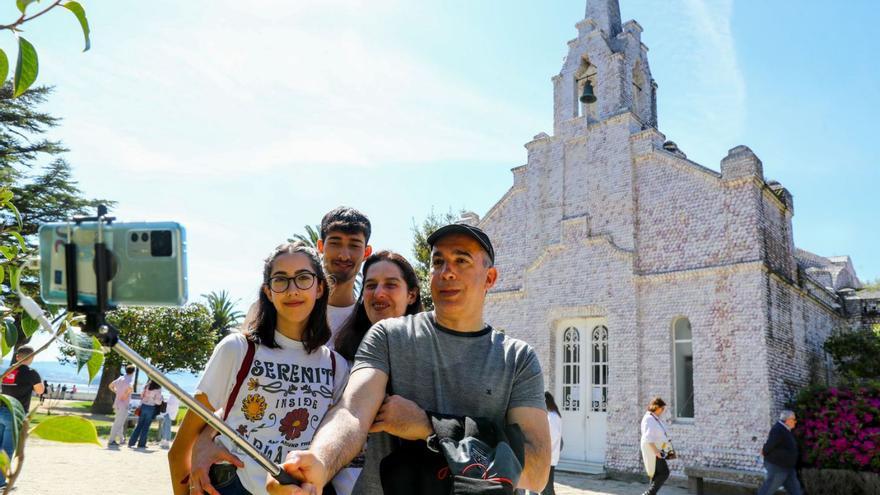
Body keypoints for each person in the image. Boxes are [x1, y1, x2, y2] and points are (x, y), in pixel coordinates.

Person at [267, 223, 551, 495]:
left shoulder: (517, 358)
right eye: (438, 262)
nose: (446, 272)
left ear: (490, 278)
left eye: (461, 261)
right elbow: (352, 412)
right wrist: (319, 462)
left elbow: (536, 472)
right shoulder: (388, 336)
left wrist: (430, 427)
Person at [168, 242, 349, 495]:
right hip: (231, 486)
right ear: (268, 291)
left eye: (303, 278)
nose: (292, 289)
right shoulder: (237, 349)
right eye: (281, 280)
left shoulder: (336, 366)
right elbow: (180, 450)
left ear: (319, 288)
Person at [329, 250, 424, 492]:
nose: (378, 293)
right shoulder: (340, 358)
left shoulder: (431, 360)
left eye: (391, 284)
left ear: (411, 294)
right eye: (370, 285)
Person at [317, 207, 373, 343]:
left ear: (366, 252)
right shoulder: (293, 310)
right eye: (335, 243)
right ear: (320, 247)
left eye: (354, 245)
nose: (344, 255)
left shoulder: (371, 322)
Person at [0, 346, 44, 488]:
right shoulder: (31, 372)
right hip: (15, 414)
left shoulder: (8, 370)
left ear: (17, 356)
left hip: (1, 410)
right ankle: (0, 482)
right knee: (7, 449)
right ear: (31, 357)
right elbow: (40, 390)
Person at [757, 410, 802, 495]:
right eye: (794, 420)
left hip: (788, 467)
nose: (795, 422)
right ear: (788, 420)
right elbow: (769, 445)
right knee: (767, 490)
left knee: (796, 491)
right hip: (778, 467)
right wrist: (764, 451)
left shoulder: (785, 429)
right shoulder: (778, 429)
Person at [640, 397, 674, 495]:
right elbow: (648, 437)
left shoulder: (654, 418)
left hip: (660, 448)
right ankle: (648, 494)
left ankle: (651, 494)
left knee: (657, 474)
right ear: (656, 407)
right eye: (662, 409)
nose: (663, 411)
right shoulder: (649, 418)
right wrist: (656, 451)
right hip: (654, 450)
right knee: (664, 473)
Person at [129, 380, 163, 448]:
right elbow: (158, 402)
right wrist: (161, 398)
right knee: (146, 427)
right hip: (151, 408)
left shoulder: (147, 386)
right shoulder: (158, 388)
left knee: (139, 425)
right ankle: (141, 444)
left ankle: (131, 442)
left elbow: (141, 396)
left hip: (143, 406)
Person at [108, 364, 137, 447]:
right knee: (118, 423)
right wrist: (125, 395)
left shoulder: (121, 378)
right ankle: (111, 440)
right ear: (133, 372)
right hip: (123, 404)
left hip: (117, 403)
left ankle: (121, 439)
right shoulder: (130, 379)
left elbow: (110, 386)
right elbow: (130, 387)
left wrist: (116, 392)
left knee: (119, 422)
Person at [541, 392, 562, 495]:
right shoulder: (554, 415)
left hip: (548, 456)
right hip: (550, 456)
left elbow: (551, 438)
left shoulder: (551, 417)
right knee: (545, 487)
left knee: (547, 487)